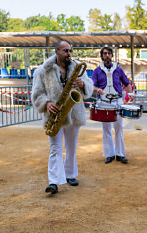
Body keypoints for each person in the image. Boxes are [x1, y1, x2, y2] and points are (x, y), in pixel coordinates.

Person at [32, 40, 94, 194]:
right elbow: (37, 93)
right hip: (54, 114)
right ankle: (54, 181)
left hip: (74, 113)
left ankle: (70, 174)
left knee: (71, 148)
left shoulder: (77, 67)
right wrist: (46, 103)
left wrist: (82, 85)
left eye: (70, 51)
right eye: (65, 51)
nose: (69, 54)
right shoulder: (42, 70)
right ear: (56, 51)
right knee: (55, 148)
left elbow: (89, 85)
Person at [92, 46, 133, 164]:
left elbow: (127, 82)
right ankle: (109, 154)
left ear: (112, 55)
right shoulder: (96, 70)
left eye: (109, 53)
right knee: (106, 129)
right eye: (105, 53)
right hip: (104, 101)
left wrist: (130, 93)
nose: (107, 55)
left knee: (119, 127)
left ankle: (120, 154)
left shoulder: (118, 69)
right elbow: (93, 86)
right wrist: (97, 90)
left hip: (117, 101)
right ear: (101, 56)